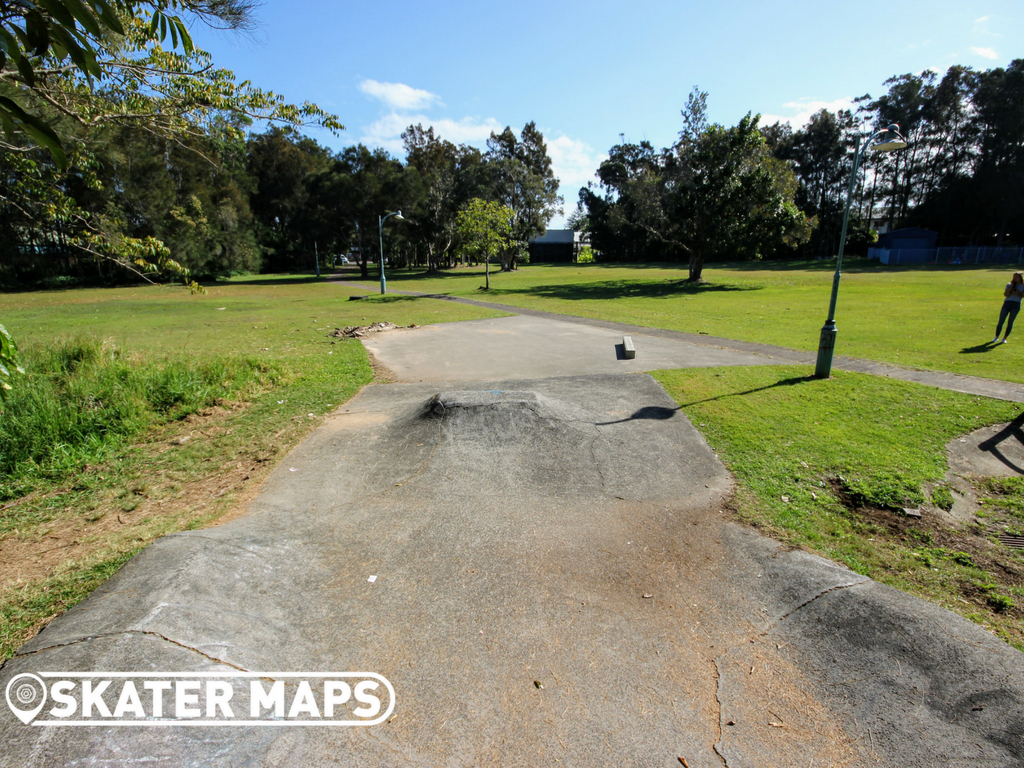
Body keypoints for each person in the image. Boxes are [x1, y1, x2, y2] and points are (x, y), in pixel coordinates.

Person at [993, 271, 1024, 343]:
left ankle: (1004, 338)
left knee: (1010, 322)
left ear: (1020, 278)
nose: (1015, 278)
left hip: (1016, 304)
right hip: (1007, 303)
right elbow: (1005, 294)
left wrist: (1018, 293)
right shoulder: (1009, 284)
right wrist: (1010, 287)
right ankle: (996, 337)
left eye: (1016, 277)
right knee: (1001, 321)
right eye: (1014, 277)